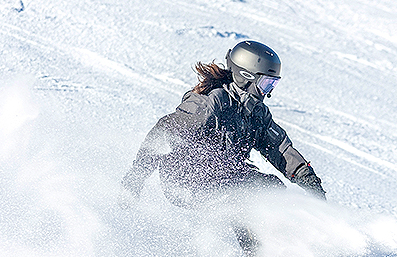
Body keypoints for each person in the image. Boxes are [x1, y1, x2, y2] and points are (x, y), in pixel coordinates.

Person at [120, 40, 326, 209]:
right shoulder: (210, 102)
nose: (268, 91)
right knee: (247, 195)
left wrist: (311, 184)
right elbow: (165, 130)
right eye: (266, 83)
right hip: (186, 180)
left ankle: (278, 247)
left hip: (223, 176)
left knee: (271, 188)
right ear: (246, 76)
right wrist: (136, 176)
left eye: (273, 84)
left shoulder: (256, 113)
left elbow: (281, 150)